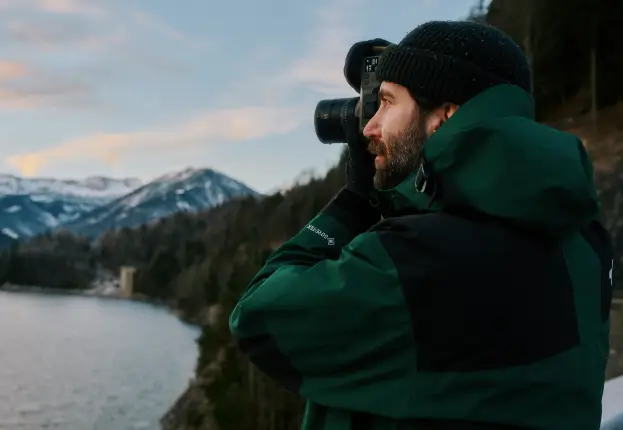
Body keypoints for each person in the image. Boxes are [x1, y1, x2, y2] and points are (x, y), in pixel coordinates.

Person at [229, 20, 614, 430]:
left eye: (389, 103)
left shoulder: (413, 259)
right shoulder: (586, 243)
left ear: (444, 115)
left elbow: (257, 319)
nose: (369, 127)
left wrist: (353, 205)